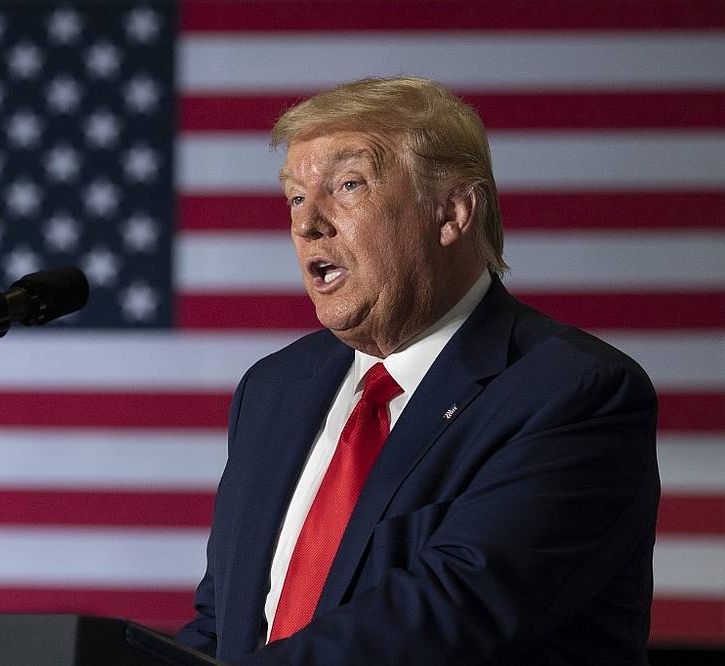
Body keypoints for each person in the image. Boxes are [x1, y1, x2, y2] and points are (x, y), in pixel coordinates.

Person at [176, 77, 660, 665]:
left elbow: (447, 615)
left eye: (347, 185)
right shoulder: (274, 388)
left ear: (452, 212)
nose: (308, 225)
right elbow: (225, 621)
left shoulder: (573, 394)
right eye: (296, 198)